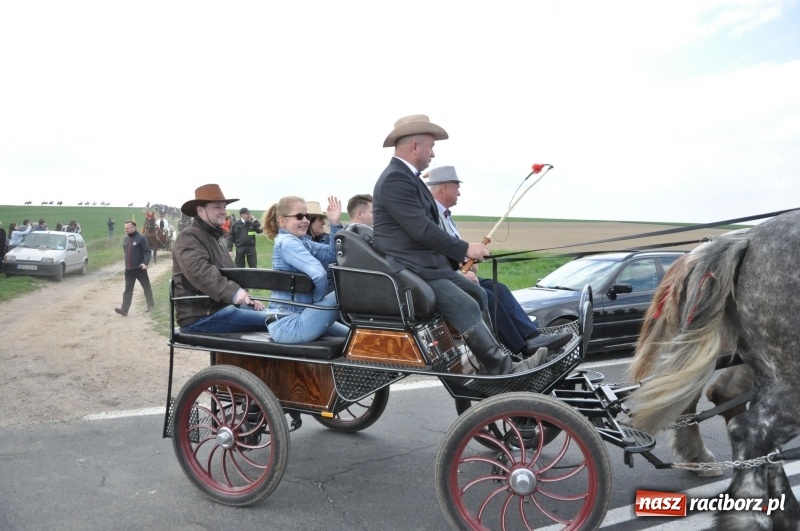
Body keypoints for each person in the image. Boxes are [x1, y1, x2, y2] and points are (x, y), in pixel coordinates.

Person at [372, 114, 542, 375]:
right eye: (431, 146)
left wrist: (457, 258)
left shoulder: (408, 178)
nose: (433, 152)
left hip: (427, 266)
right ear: (415, 146)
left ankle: (491, 362)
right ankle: (504, 370)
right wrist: (464, 249)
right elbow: (421, 229)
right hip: (411, 270)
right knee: (468, 305)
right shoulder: (395, 179)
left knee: (479, 293)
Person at [425, 165, 572, 357]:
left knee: (499, 289)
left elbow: (450, 248)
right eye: (456, 187)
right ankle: (521, 348)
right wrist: (458, 273)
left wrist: (467, 261)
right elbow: (433, 251)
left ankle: (533, 336)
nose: (459, 192)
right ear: (444, 188)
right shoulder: (431, 215)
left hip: (456, 274)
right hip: (447, 279)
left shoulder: (446, 216)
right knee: (489, 297)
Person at [172, 184, 268, 333]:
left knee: (275, 317)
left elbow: (232, 273)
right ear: (200, 211)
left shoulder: (215, 238)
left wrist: (248, 297)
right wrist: (235, 293)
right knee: (278, 323)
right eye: (217, 207)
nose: (223, 211)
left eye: (224, 207)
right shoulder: (188, 236)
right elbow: (199, 271)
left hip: (221, 308)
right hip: (201, 316)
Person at [263, 196, 349, 343]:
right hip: (289, 325)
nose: (305, 220)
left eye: (306, 216)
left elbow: (333, 255)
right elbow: (319, 274)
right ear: (282, 221)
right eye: (299, 216)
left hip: (301, 316)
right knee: (348, 290)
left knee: (352, 336)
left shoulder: (302, 242)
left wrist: (334, 223)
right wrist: (318, 302)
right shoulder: (288, 243)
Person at [115, 220, 155, 316]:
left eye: (128, 228)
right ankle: (124, 310)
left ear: (134, 228)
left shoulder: (141, 238)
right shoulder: (126, 239)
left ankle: (151, 305)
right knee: (128, 289)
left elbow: (147, 252)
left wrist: (145, 263)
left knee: (146, 287)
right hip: (128, 270)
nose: (126, 230)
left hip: (140, 269)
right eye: (125, 228)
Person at [303, 198, 343, 293]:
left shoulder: (329, 240)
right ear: (310, 221)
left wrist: (335, 223)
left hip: (327, 292)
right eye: (320, 219)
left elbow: (337, 250)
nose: (324, 223)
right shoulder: (300, 243)